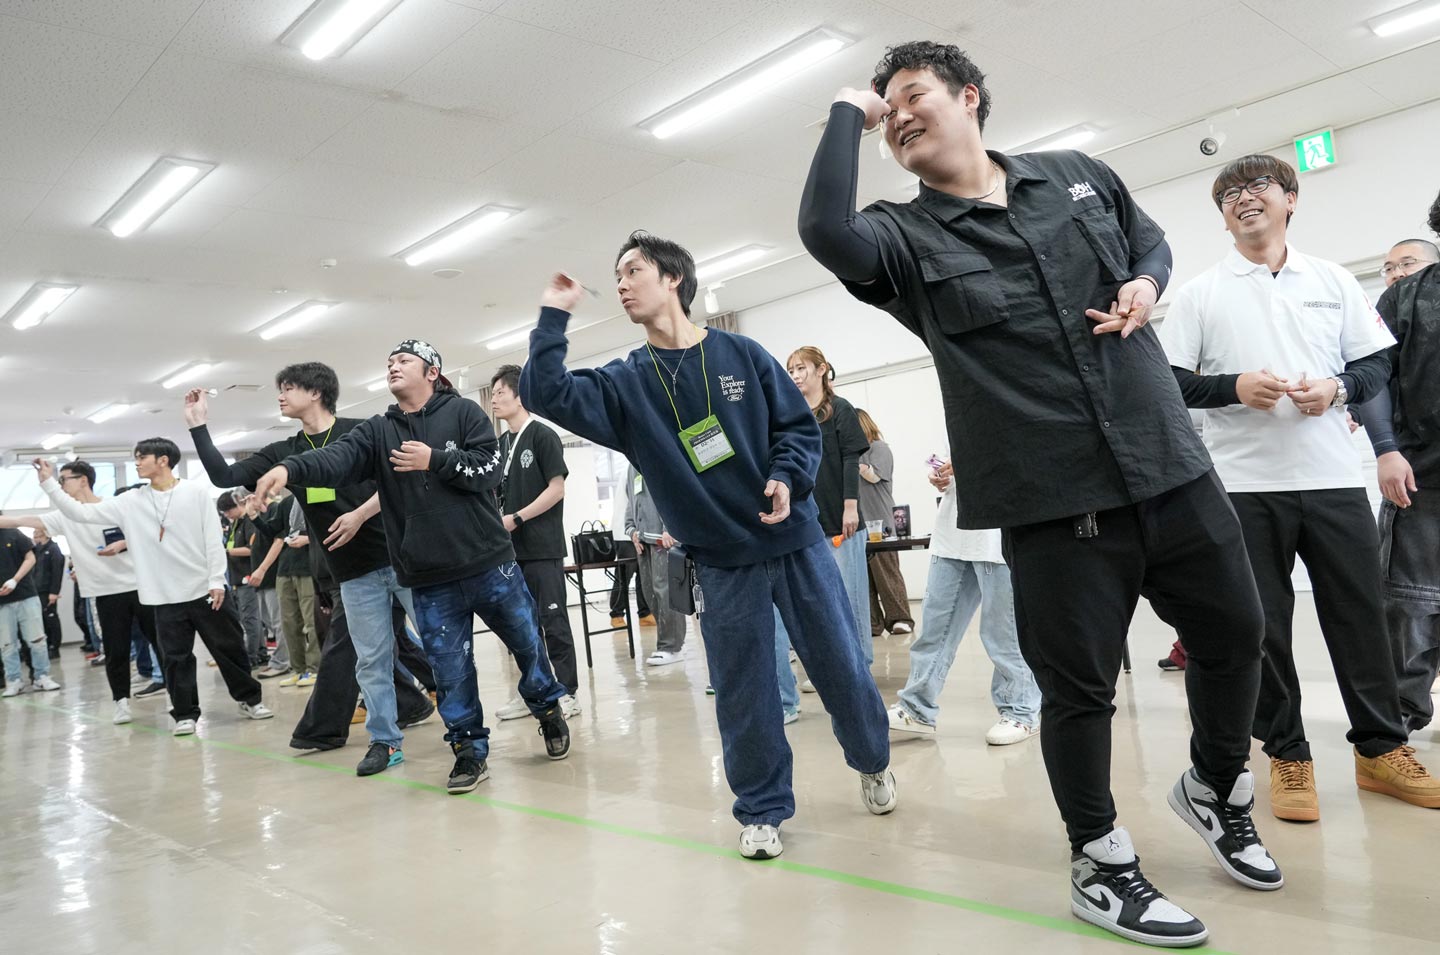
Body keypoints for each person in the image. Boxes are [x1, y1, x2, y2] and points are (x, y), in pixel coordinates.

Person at [798, 40, 1278, 946]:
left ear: (969, 98)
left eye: (912, 95)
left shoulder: (1075, 175)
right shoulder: (901, 237)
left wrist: (1146, 282)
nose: (898, 116)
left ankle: (1216, 786)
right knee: (1079, 690)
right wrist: (844, 115)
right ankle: (1098, 860)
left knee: (1237, 635)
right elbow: (824, 228)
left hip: (1167, 462)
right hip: (1054, 497)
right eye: (886, 110)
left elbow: (1150, 241)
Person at [520, 231, 896, 861]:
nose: (621, 284)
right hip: (721, 560)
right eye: (617, 275)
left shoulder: (741, 354)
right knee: (743, 689)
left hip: (793, 541)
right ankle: (762, 809)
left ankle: (873, 759)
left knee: (840, 665)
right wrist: (553, 317)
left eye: (633, 270)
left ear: (673, 279)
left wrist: (787, 477)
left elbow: (797, 429)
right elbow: (545, 392)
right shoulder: (625, 383)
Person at [1159, 154, 1440, 822]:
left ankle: (1381, 749)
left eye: (1258, 185)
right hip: (1242, 485)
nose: (1243, 197)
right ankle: (1288, 753)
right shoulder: (1201, 293)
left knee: (1361, 617)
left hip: (1332, 477)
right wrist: (1232, 387)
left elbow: (1375, 363)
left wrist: (1337, 388)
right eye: (1228, 193)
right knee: (1263, 626)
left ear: (1291, 199)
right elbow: (1168, 382)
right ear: (1222, 216)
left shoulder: (1332, 279)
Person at [249, 340, 572, 793]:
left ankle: (547, 707)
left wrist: (434, 459)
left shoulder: (464, 413)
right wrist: (289, 471)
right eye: (389, 363)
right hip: (429, 577)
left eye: (404, 361)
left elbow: (489, 471)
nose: (393, 367)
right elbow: (337, 457)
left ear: (432, 371)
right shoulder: (379, 430)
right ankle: (469, 751)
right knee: (451, 672)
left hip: (488, 564)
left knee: (527, 646)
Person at [187, 363, 437, 775]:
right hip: (351, 571)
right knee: (369, 661)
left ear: (316, 392)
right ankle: (385, 740)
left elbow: (400, 481)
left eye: (288, 388)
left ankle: (464, 729)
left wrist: (359, 514)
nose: (280, 396)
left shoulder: (363, 431)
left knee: (440, 645)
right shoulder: (285, 452)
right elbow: (224, 476)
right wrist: (199, 426)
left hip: (401, 559)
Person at [37, 441, 273, 735]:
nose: (136, 463)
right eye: (135, 457)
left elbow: (213, 539)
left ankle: (250, 699)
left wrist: (215, 580)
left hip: (205, 589)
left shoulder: (195, 492)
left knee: (229, 648)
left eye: (142, 457)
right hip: (163, 595)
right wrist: (48, 483)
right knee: (175, 657)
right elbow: (80, 513)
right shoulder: (131, 501)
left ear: (163, 460)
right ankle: (185, 714)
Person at [1355, 207, 1440, 733]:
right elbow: (1373, 375)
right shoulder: (1406, 297)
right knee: (1410, 605)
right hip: (1421, 474)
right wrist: (1386, 449)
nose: (1395, 270)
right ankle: (1398, 720)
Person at [887, 459, 1040, 745]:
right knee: (934, 630)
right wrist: (943, 474)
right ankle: (916, 709)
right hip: (953, 530)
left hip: (998, 531)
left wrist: (965, 464)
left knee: (1003, 634)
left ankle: (1021, 712)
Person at [1, 461, 153, 721]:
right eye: (57, 481)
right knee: (115, 651)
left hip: (140, 587)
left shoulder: (115, 506)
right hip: (105, 593)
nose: (60, 486)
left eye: (64, 480)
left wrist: (123, 544)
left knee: (162, 644)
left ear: (83, 480)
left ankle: (175, 697)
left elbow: (146, 534)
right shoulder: (64, 516)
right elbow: (18, 519)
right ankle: (121, 702)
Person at [489, 363, 582, 719]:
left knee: (553, 622)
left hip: (542, 548)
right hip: (510, 553)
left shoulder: (543, 436)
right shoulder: (501, 444)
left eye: (500, 393)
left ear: (520, 396)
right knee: (520, 627)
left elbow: (556, 489)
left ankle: (567, 692)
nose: (494, 400)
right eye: (492, 394)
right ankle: (534, 691)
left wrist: (517, 518)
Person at [854, 407, 913, 637]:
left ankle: (900, 618)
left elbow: (873, 476)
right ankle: (873, 623)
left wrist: (850, 462)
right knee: (863, 579)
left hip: (881, 523)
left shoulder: (878, 448)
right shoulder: (849, 453)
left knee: (887, 574)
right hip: (857, 526)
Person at [622, 464, 687, 664]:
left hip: (663, 540)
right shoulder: (632, 467)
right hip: (643, 540)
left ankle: (671, 646)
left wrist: (670, 527)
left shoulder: (655, 455)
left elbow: (674, 493)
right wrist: (631, 530)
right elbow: (631, 498)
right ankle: (665, 644)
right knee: (650, 592)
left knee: (666, 592)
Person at [1, 523, 61, 696]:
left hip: (26, 595)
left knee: (37, 639)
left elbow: (30, 558)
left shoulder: (13, 534)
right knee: (6, 644)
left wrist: (15, 579)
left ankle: (41, 676)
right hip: (2, 602)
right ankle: (14, 680)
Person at [31, 526, 66, 658]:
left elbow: (57, 572)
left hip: (48, 590)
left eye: (38, 536)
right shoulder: (37, 550)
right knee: (42, 619)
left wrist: (54, 592)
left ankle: (54, 647)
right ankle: (46, 645)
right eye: (34, 536)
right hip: (37, 590)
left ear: (45, 535)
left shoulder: (53, 549)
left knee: (51, 618)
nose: (36, 538)